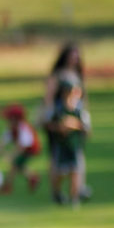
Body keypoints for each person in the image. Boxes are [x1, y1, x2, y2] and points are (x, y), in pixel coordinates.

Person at [41, 43, 90, 204]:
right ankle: (56, 191)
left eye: (77, 55)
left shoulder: (78, 75)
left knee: (77, 154)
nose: (74, 58)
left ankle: (78, 188)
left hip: (74, 118)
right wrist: (52, 118)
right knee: (57, 156)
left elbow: (84, 97)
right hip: (58, 117)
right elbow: (49, 98)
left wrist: (83, 117)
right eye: (72, 55)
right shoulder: (58, 75)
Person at [46, 80, 91, 209]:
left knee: (76, 172)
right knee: (61, 172)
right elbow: (49, 125)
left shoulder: (80, 111)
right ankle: (57, 193)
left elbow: (86, 129)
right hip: (61, 145)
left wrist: (73, 125)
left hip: (75, 146)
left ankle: (75, 199)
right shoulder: (58, 109)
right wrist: (60, 128)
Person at [0, 103, 41, 194]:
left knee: (14, 165)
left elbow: (22, 146)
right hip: (24, 148)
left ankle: (7, 187)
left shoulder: (23, 128)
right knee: (17, 166)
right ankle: (32, 177)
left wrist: (11, 155)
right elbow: (2, 141)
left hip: (30, 149)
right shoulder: (11, 129)